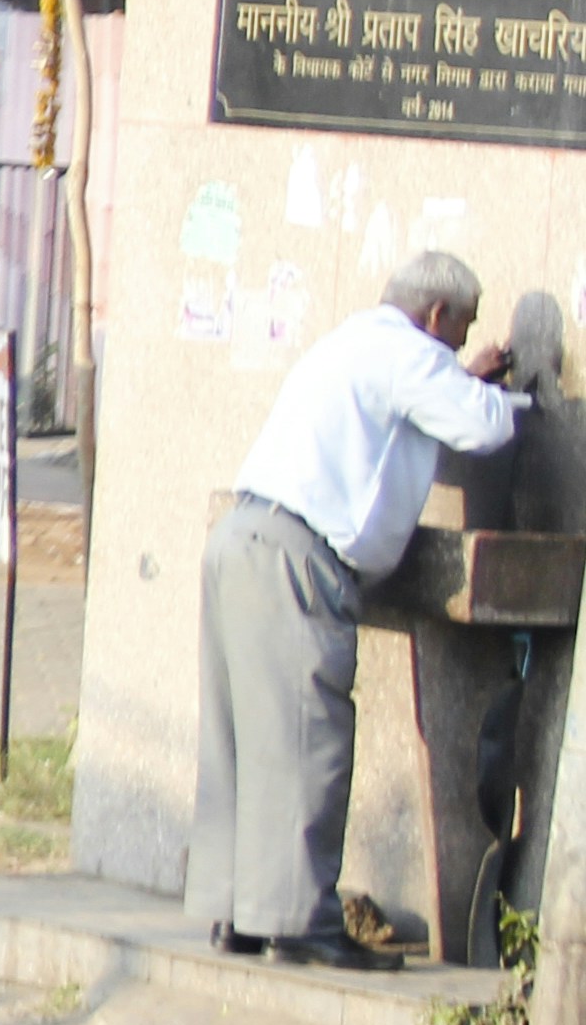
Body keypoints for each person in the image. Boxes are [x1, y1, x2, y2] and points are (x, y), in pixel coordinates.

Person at [195, 252, 522, 969]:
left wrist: (458, 382)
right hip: (299, 554)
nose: (460, 346)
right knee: (310, 737)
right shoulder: (411, 351)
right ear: (436, 316)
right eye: (461, 332)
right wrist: (498, 392)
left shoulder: (353, 342)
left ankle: (239, 915)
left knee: (246, 740)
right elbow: (487, 430)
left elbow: (410, 410)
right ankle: (303, 925)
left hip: (243, 537)